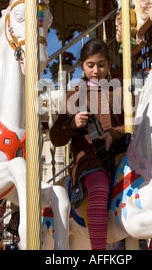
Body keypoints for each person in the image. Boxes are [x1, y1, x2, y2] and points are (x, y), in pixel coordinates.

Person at [50, 38, 125, 250]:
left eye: (101, 65)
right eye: (90, 65)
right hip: (90, 157)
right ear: (82, 65)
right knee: (100, 186)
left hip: (119, 156)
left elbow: (131, 126)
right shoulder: (73, 96)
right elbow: (56, 137)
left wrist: (112, 134)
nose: (96, 70)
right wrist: (72, 124)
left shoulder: (116, 93)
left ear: (109, 64)